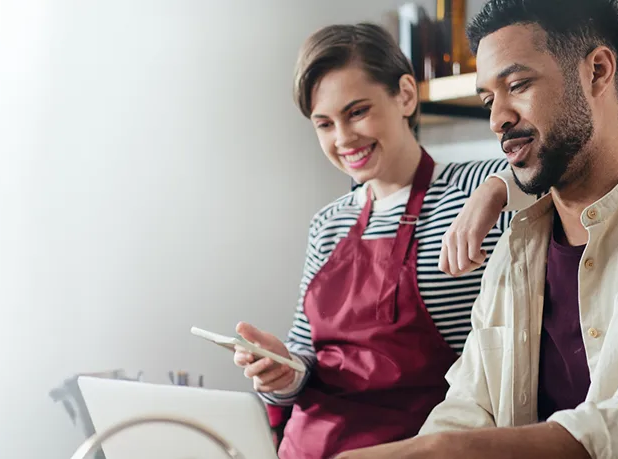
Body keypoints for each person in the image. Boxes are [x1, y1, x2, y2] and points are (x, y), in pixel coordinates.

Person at [336, 1, 618, 458]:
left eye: (517, 85)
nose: (498, 119)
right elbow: (470, 403)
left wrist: (444, 450)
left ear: (597, 70)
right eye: (487, 99)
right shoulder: (516, 246)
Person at [229, 23, 537, 459]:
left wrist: (495, 190)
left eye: (356, 112)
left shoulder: (474, 190)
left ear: (406, 95)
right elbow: (306, 363)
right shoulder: (328, 224)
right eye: (324, 123)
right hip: (305, 448)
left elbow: (555, 179)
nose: (343, 138)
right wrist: (282, 372)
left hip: (416, 448)